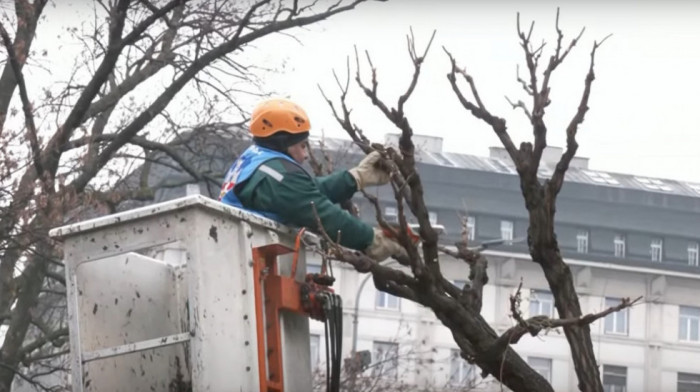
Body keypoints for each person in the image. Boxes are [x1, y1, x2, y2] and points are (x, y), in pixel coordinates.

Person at [219, 98, 405, 262]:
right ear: (283, 143)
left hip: (238, 252)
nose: (306, 155)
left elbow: (307, 192)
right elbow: (321, 213)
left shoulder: (257, 162)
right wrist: (372, 240)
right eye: (302, 145)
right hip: (247, 262)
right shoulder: (277, 175)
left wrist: (357, 177)